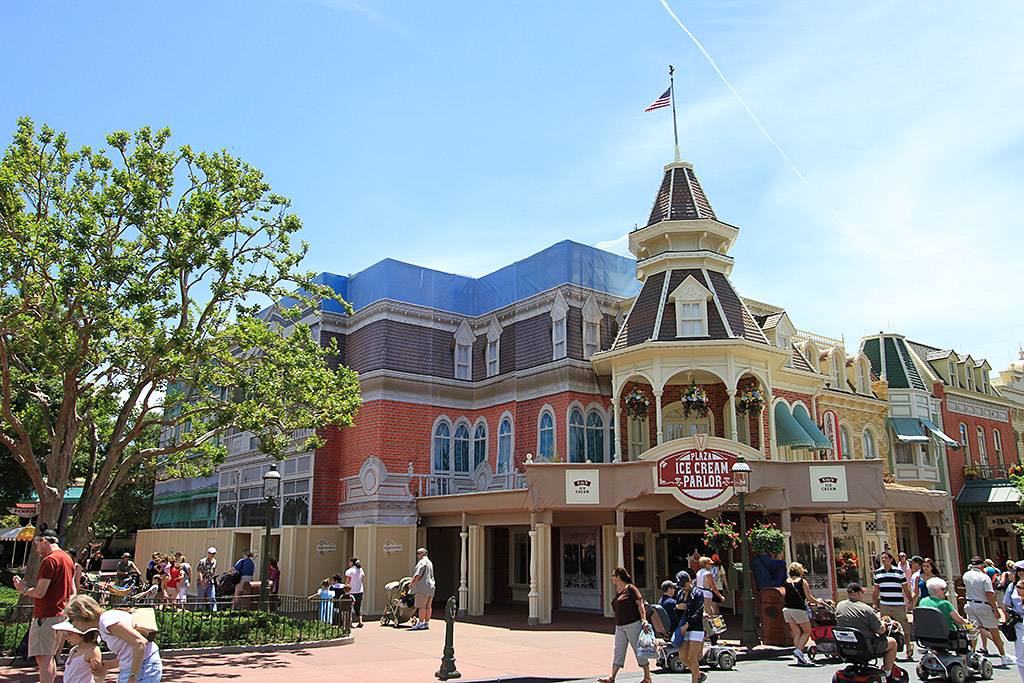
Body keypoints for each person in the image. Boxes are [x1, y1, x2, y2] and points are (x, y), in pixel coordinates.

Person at [12, 528, 76, 683]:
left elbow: (40, 592)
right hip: (61, 615)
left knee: (44, 659)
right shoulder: (68, 559)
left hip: (47, 616)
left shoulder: (50, 560)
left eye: (36, 543)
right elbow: (74, 591)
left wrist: (23, 589)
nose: (36, 548)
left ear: (44, 541)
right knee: (50, 657)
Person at [64, 594, 162, 682]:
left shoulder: (106, 621)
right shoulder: (105, 623)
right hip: (138, 667)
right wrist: (106, 665)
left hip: (144, 668)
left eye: (73, 619)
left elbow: (140, 643)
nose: (73, 624)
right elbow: (128, 652)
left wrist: (132, 678)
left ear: (83, 615)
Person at [598, 567, 652, 683]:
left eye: (613, 575)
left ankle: (647, 677)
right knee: (618, 650)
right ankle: (612, 677)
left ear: (618, 577)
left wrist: (643, 620)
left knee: (639, 650)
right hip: (620, 626)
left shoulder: (631, 588)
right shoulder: (619, 590)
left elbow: (640, 604)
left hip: (633, 625)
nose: (611, 578)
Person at [836, 582, 899, 683]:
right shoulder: (866, 609)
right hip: (866, 647)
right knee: (892, 642)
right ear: (858, 593)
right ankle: (888, 673)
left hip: (846, 647)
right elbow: (881, 630)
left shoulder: (840, 606)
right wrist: (884, 623)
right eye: (862, 592)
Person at [963, 555, 1010, 664]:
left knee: (972, 632)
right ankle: (1003, 655)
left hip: (970, 604)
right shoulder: (984, 577)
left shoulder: (966, 575)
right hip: (983, 605)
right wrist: (995, 609)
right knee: (994, 631)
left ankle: (972, 655)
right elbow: (989, 594)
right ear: (981, 565)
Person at [873, 550, 914, 660]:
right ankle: (888, 648)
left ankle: (908, 646)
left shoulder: (899, 572)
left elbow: (906, 588)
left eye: (885, 558)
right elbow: (876, 590)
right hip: (885, 604)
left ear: (891, 559)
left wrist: (910, 601)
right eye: (882, 558)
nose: (883, 560)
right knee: (886, 627)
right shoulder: (878, 573)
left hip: (898, 604)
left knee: (903, 625)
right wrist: (875, 604)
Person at [782, 562, 823, 666]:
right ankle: (799, 651)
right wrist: (819, 602)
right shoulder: (802, 581)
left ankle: (799, 656)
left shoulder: (787, 581)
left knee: (796, 632)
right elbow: (809, 598)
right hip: (798, 609)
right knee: (807, 631)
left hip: (787, 609)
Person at [672, 571, 707, 683]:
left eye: (683, 585)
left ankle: (694, 680)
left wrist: (688, 624)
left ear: (689, 581)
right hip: (684, 629)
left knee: (692, 657)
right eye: (680, 586)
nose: (682, 588)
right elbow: (676, 611)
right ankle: (698, 673)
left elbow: (699, 611)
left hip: (695, 628)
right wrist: (678, 607)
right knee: (682, 657)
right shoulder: (680, 594)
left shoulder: (698, 593)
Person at [408, 547, 435, 631]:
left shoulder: (422, 562)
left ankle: (420, 623)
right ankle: (426, 623)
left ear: (423, 553)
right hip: (431, 587)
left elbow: (418, 575)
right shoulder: (429, 562)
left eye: (418, 553)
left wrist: (411, 583)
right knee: (428, 606)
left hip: (422, 587)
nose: (417, 555)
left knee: (421, 606)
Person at [1004, 579, 1024, 683]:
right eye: (1017, 587)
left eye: (1020, 588)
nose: (1018, 590)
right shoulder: (1011, 587)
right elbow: (1006, 605)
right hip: (1018, 624)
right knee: (1020, 657)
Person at [345, 557, 365, 628]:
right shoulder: (360, 570)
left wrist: (346, 588)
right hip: (360, 590)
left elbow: (348, 581)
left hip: (351, 591)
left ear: (351, 562)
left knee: (349, 607)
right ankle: (360, 621)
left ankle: (350, 623)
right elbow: (362, 579)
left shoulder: (349, 571)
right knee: (358, 606)